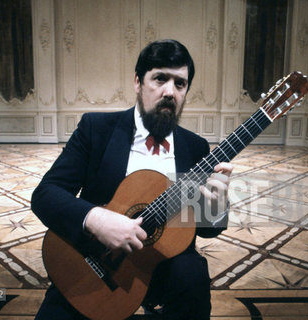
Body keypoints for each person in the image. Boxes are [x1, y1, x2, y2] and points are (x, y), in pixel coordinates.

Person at [31, 39, 233, 320]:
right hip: (92, 260)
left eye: (179, 84)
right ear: (138, 82)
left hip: (163, 266)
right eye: (160, 78)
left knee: (193, 276)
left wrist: (217, 206)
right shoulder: (96, 130)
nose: (169, 92)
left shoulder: (195, 148)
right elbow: (45, 195)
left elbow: (207, 230)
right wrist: (98, 220)